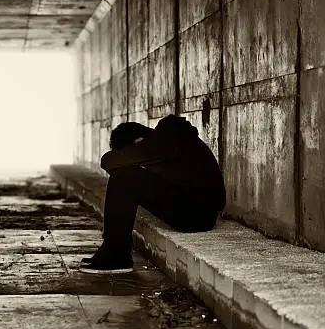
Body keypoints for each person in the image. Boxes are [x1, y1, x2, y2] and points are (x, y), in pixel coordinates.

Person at [79, 114, 226, 274]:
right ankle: (112, 250)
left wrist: (130, 156)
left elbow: (108, 160)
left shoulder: (166, 139)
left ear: (138, 142)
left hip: (198, 217)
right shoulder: (171, 140)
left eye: (132, 150)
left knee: (125, 176)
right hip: (197, 209)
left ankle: (116, 255)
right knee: (126, 175)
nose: (136, 154)